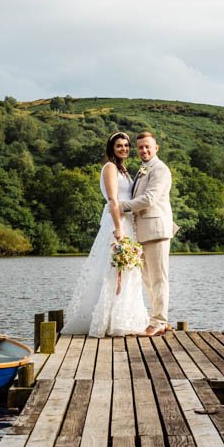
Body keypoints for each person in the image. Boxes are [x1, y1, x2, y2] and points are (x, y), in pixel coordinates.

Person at [62, 132, 150, 337]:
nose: (124, 149)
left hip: (128, 223)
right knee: (113, 270)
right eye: (119, 146)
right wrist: (118, 228)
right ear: (111, 148)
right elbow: (113, 200)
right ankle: (108, 321)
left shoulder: (124, 169)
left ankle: (124, 319)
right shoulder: (110, 168)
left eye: (126, 145)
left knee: (127, 271)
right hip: (117, 222)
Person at [120, 131, 176, 336]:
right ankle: (157, 320)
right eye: (140, 147)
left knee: (159, 279)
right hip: (143, 233)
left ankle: (159, 321)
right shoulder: (143, 169)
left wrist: (121, 206)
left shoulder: (160, 169)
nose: (143, 150)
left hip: (157, 231)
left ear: (156, 148)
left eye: (147, 147)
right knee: (148, 280)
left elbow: (149, 199)